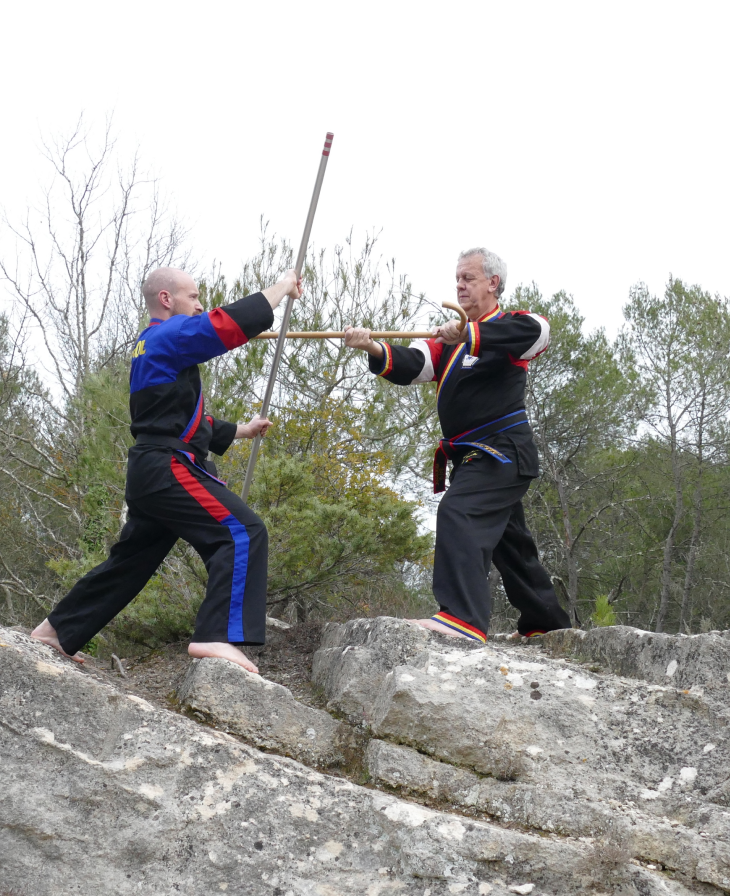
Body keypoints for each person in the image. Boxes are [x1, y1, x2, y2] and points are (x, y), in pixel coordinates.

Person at [31, 266, 301, 672]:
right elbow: (227, 324)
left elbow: (174, 417)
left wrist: (241, 431)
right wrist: (282, 286)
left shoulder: (148, 345)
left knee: (129, 563)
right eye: (193, 297)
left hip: (150, 470)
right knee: (242, 532)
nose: (199, 305)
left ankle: (55, 631)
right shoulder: (167, 334)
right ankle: (215, 636)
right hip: (166, 468)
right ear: (166, 299)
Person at [344, 248, 571, 644]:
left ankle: (462, 618)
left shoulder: (512, 325)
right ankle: (548, 625)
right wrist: (372, 347)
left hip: (502, 452)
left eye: (468, 278)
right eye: (458, 279)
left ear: (493, 283)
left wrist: (469, 332)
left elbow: (539, 332)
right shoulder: (448, 341)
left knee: (459, 512)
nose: (460, 285)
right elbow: (415, 365)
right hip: (472, 458)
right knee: (511, 546)